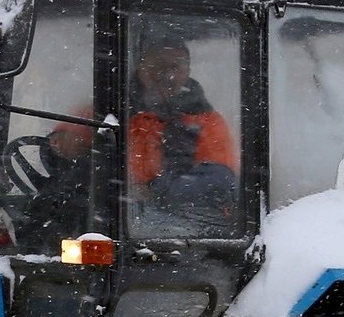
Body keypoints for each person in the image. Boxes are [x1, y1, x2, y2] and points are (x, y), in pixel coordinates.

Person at [48, 26, 237, 222]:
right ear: (140, 68)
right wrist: (63, 143)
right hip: (104, 215)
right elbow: (61, 145)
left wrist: (155, 190)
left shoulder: (205, 119)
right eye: (158, 66)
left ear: (188, 71)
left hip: (175, 222)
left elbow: (220, 178)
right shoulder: (108, 108)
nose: (168, 75)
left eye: (176, 67)